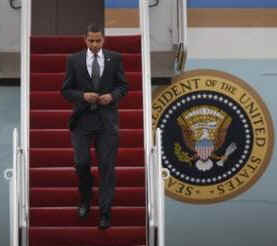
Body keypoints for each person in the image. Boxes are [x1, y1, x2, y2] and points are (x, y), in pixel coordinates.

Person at [61, 23, 128, 230]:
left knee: (107, 167)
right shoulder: (74, 60)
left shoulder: (115, 58)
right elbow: (66, 90)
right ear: (85, 40)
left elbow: (123, 86)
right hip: (82, 120)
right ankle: (85, 200)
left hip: (106, 121)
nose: (95, 44)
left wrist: (112, 96)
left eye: (98, 40)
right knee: (81, 163)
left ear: (104, 40)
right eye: (91, 40)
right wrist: (82, 96)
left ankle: (105, 211)